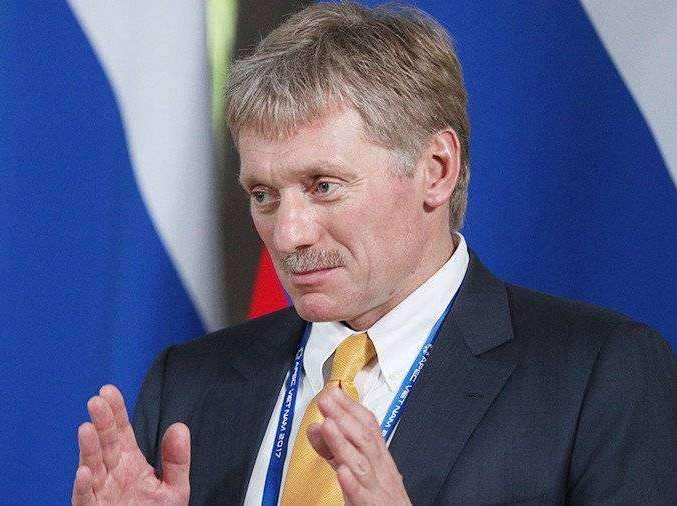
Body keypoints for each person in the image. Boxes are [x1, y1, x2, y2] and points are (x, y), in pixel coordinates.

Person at [71, 3, 675, 505]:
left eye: (323, 186)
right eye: (263, 195)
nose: (289, 235)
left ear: (435, 170)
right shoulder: (189, 384)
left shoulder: (598, 376)